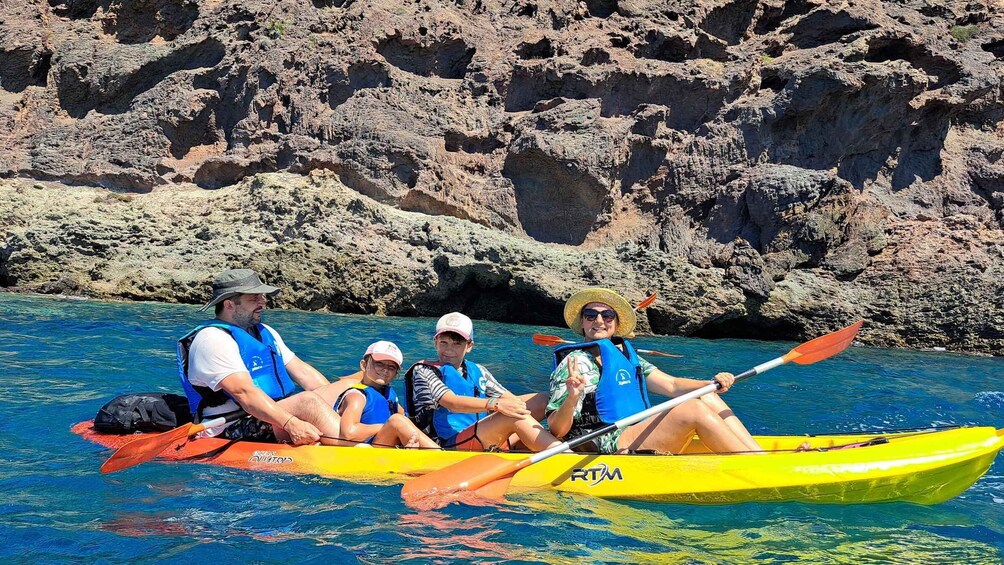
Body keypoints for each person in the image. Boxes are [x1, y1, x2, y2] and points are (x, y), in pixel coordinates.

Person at [546, 287, 763, 455]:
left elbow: (672, 385)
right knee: (693, 410)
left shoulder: (626, 358)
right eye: (591, 315)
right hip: (604, 441)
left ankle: (757, 455)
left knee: (705, 394)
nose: (599, 321)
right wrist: (573, 397)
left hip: (634, 430)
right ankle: (754, 464)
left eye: (608, 315)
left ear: (616, 323)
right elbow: (557, 430)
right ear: (583, 323)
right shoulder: (574, 363)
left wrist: (713, 383)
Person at [177, 268, 345, 446]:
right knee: (308, 402)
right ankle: (357, 446)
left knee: (347, 388)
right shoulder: (212, 339)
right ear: (229, 305)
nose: (262, 303)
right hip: (230, 425)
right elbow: (245, 394)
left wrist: (337, 402)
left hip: (274, 413)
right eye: (254, 298)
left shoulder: (264, 331)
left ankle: (357, 435)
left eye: (262, 297)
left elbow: (304, 373)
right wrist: (291, 424)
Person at [405, 312, 561, 451]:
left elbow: (511, 399)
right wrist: (495, 405)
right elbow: (452, 403)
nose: (449, 350)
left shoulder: (479, 371)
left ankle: (556, 441)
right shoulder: (424, 370)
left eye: (457, 343)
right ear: (435, 343)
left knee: (542, 400)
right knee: (512, 415)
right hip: (446, 444)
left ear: (469, 346)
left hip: (476, 435)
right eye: (443, 343)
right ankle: (562, 455)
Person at [331, 340, 439, 448]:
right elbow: (349, 432)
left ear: (396, 374)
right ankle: (438, 454)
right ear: (364, 365)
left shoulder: (388, 394)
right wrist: (386, 426)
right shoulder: (357, 396)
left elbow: (406, 419)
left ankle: (429, 452)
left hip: (384, 445)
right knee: (396, 421)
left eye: (391, 367)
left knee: (401, 421)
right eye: (379, 364)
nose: (385, 370)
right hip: (365, 451)